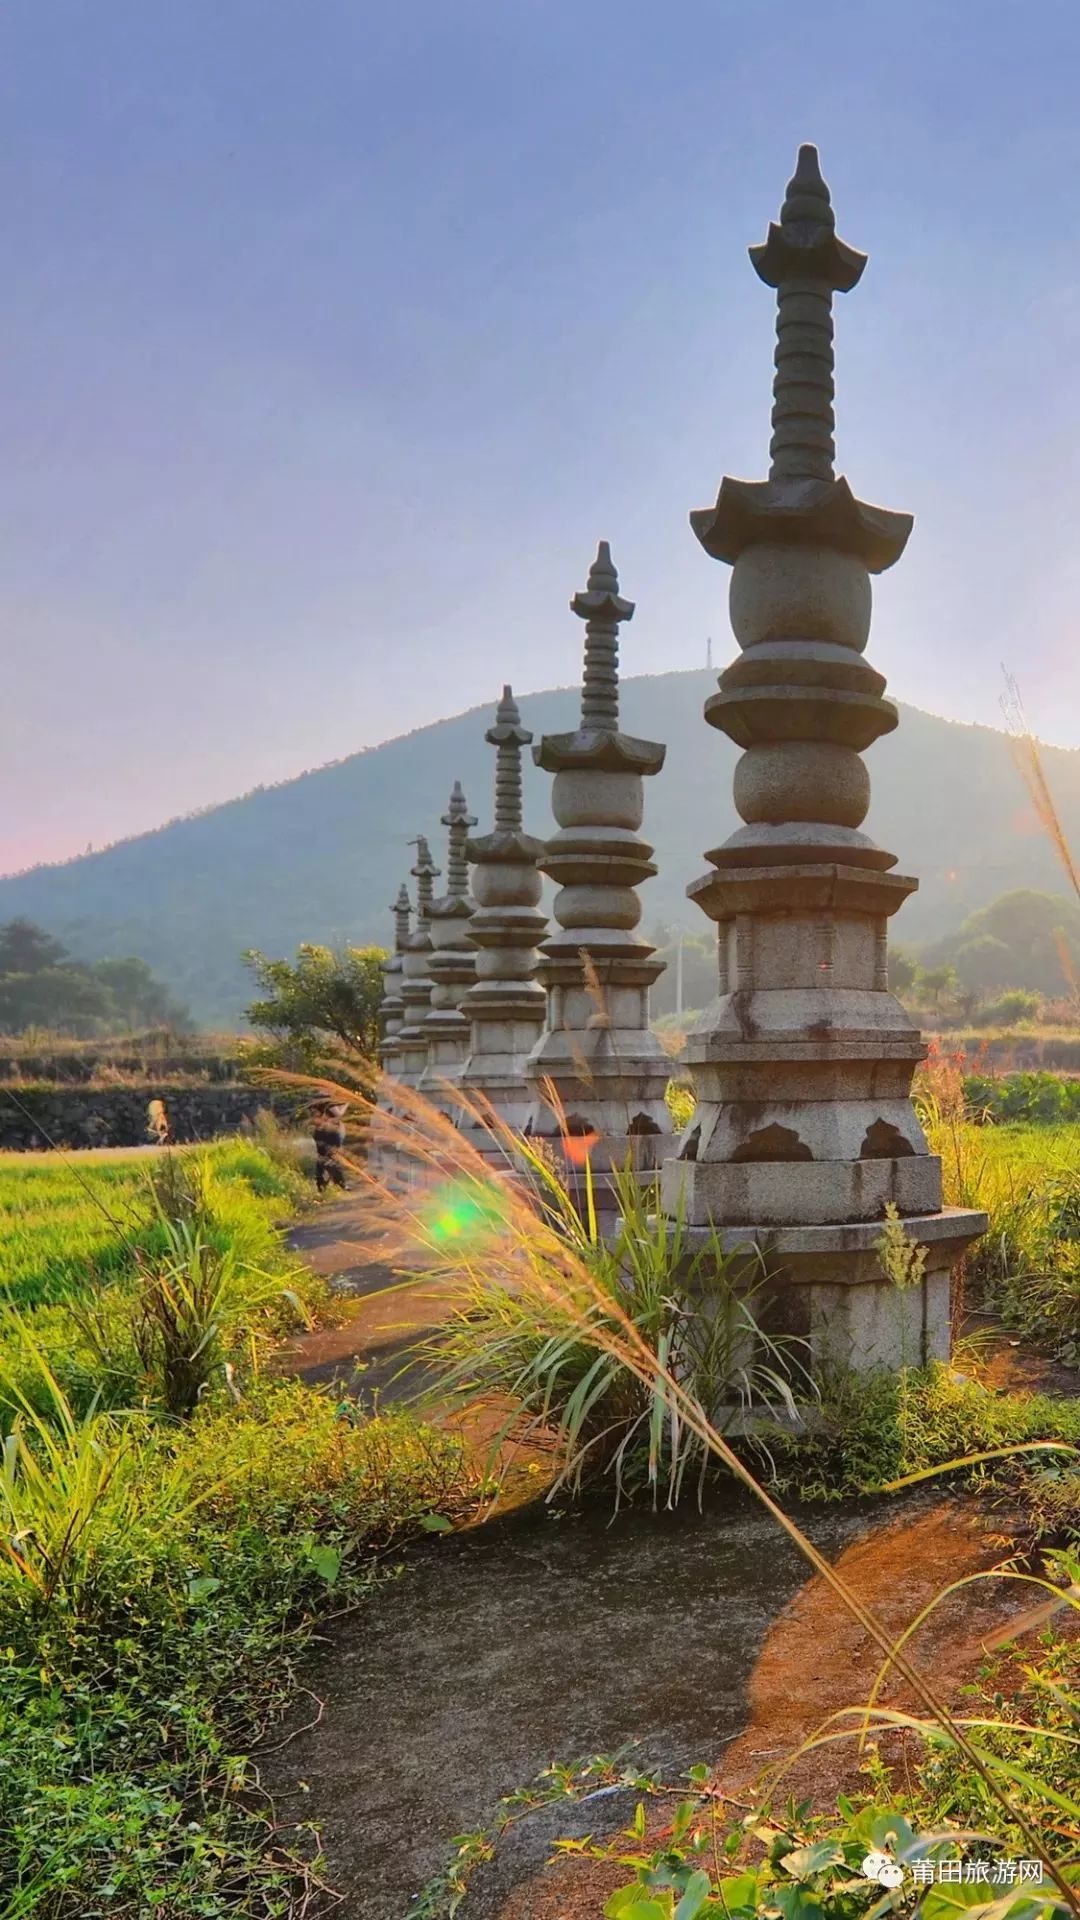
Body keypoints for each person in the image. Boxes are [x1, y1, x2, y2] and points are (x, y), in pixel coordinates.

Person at [310, 1099, 348, 1192]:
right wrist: (346, 1104)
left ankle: (321, 1185)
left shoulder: (315, 1101)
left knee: (322, 1158)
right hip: (329, 1132)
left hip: (319, 1132)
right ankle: (339, 1183)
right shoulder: (328, 1102)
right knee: (334, 1158)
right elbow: (338, 1115)